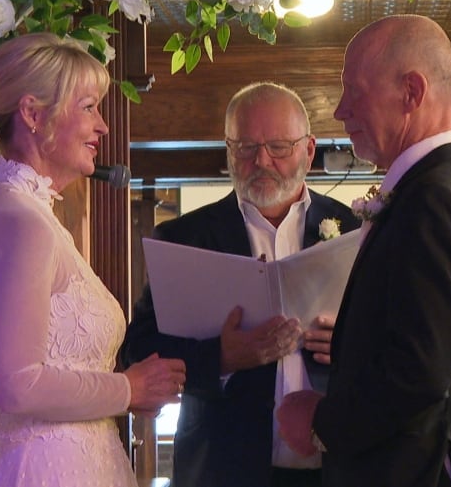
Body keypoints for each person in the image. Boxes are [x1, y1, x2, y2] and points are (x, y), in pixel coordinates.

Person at [276, 15, 451, 487]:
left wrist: (323, 424)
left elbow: (418, 372)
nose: (341, 110)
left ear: (411, 92)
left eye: (355, 91)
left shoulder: (433, 201)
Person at [0, 32, 186, 487]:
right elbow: (16, 384)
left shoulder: (27, 212)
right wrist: (128, 388)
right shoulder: (19, 219)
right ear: (33, 114)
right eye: (88, 108)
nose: (102, 126)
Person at [121, 81, 361, 487]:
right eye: (246, 148)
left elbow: (396, 341)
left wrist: (350, 342)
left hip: (337, 467)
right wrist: (221, 358)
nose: (261, 161)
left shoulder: (356, 228)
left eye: (279, 147)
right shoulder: (185, 237)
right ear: (228, 150)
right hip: (223, 468)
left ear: (309, 149)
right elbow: (138, 351)